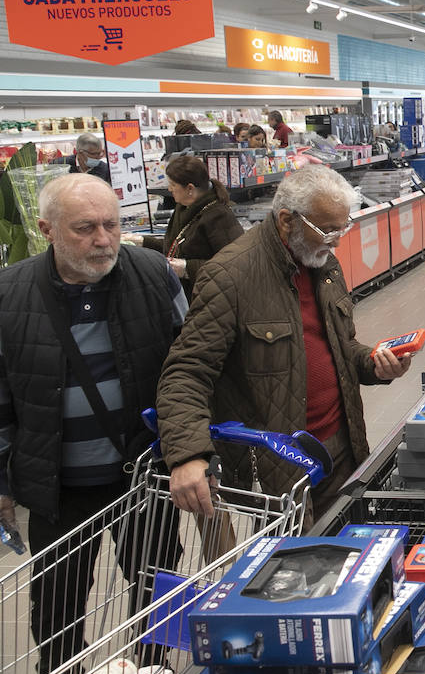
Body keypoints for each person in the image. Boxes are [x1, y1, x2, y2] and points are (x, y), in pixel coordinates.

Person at [0, 173, 187, 674]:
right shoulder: (6, 294)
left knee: (158, 588)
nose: (103, 240)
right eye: (85, 228)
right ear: (46, 229)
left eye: (111, 225)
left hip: (143, 477)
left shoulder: (153, 275)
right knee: (56, 605)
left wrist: (191, 452)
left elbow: (190, 370)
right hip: (57, 487)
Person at [156, 166, 412, 522]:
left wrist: (373, 362)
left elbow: (339, 346)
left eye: (344, 226)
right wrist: (187, 454)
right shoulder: (230, 275)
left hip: (340, 445)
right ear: (287, 220)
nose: (337, 239)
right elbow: (186, 372)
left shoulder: (322, 262)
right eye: (328, 229)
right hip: (281, 464)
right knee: (299, 568)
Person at [124, 155, 244, 299]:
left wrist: (186, 268)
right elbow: (176, 247)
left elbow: (234, 265)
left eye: (173, 185)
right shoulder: (183, 208)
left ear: (190, 188)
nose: (169, 189)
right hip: (182, 294)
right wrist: (141, 241)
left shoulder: (219, 217)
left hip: (207, 298)